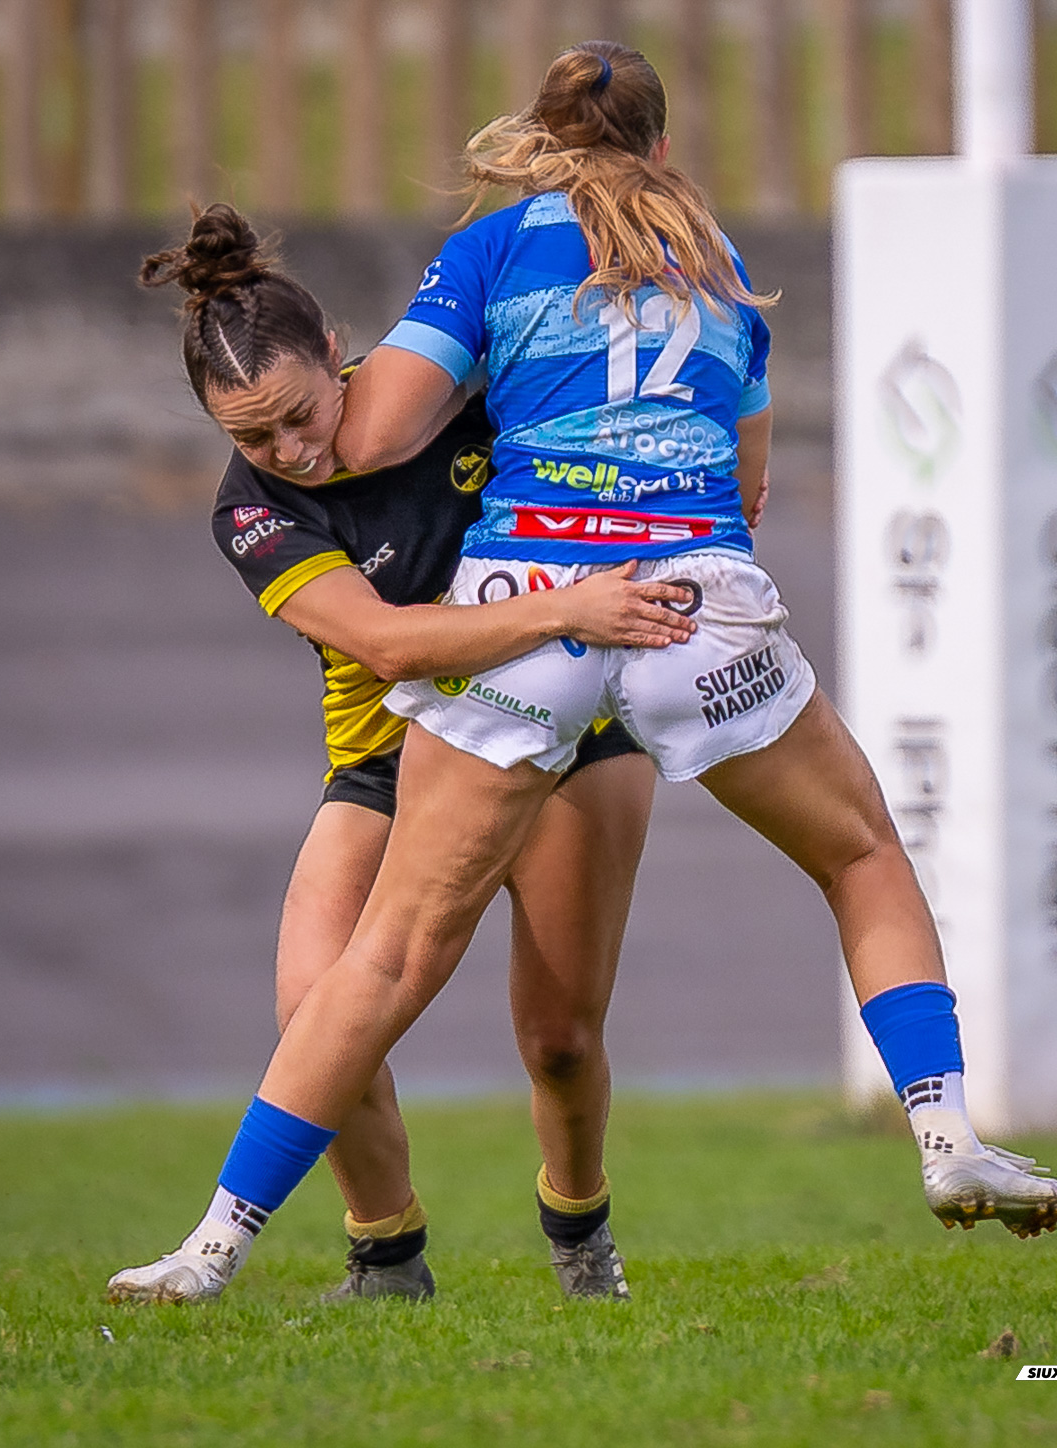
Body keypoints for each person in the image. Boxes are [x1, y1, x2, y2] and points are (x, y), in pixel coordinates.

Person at [109, 47, 1057, 1309]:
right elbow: (749, 483)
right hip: (691, 610)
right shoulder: (723, 265)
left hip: (526, 609)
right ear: (662, 153)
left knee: (392, 957)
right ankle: (948, 1142)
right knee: (859, 855)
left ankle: (215, 1248)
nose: (291, 449)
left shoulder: (496, 250)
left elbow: (378, 431)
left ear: (541, 149)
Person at [108, 202, 699, 1306]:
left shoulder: (450, 389)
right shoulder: (252, 510)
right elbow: (382, 644)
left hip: (569, 729)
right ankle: (387, 1257)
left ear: (341, 351)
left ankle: (580, 1234)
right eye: (252, 438)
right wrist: (570, 603)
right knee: (313, 1002)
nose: (294, 452)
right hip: (391, 753)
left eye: (299, 416)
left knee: (562, 1038)